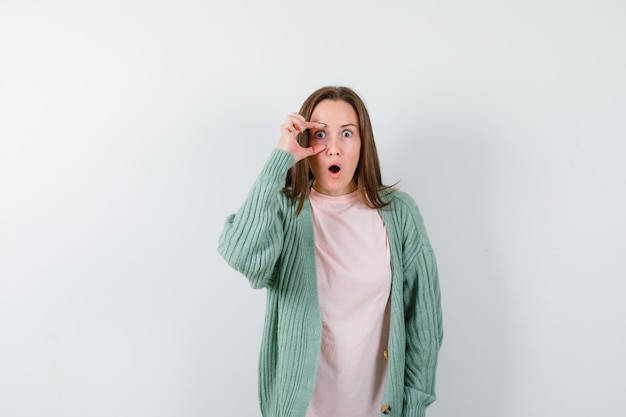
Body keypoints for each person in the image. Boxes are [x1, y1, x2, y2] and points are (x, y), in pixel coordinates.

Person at [218, 86, 443, 417]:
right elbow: (241, 254)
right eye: (321, 134)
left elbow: (423, 320)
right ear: (306, 142)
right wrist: (279, 159)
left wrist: (413, 406)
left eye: (347, 134)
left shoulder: (399, 213)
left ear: (363, 142)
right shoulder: (285, 211)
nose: (334, 149)